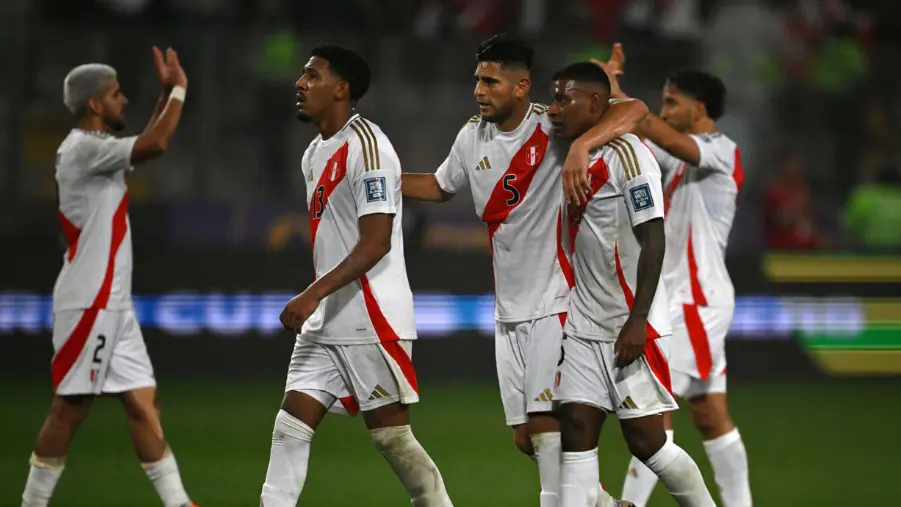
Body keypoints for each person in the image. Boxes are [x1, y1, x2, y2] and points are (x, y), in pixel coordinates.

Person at [401, 35, 648, 507]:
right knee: (525, 436)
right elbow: (439, 185)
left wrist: (582, 148)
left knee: (545, 429)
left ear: (521, 87)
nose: (479, 89)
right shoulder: (471, 136)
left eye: (490, 80)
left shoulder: (553, 126)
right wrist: (379, 182)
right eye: (477, 79)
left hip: (555, 304)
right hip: (508, 311)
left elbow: (634, 110)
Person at [259, 45, 453, 507]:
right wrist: (319, 300)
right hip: (328, 319)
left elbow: (377, 240)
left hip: (371, 316)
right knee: (290, 427)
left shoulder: (368, 146)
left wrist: (311, 293)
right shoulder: (313, 153)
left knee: (392, 437)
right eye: (303, 75)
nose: (300, 83)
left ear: (341, 89)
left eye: (312, 75)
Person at [569, 46, 752, 507]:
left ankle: (629, 502)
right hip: (683, 299)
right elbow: (643, 137)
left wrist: (620, 98)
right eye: (663, 102)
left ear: (700, 109)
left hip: (695, 299)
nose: (665, 110)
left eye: (673, 102)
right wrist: (612, 98)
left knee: (653, 414)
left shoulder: (721, 151)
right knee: (710, 415)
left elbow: (660, 134)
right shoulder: (673, 160)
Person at [21, 48, 195, 507]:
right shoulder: (82, 149)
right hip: (89, 301)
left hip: (115, 304)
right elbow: (155, 144)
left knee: (143, 405)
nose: (124, 100)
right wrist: (179, 90)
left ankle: (180, 504)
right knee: (71, 407)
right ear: (95, 105)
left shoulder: (97, 150)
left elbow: (146, 139)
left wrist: (165, 93)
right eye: (116, 95)